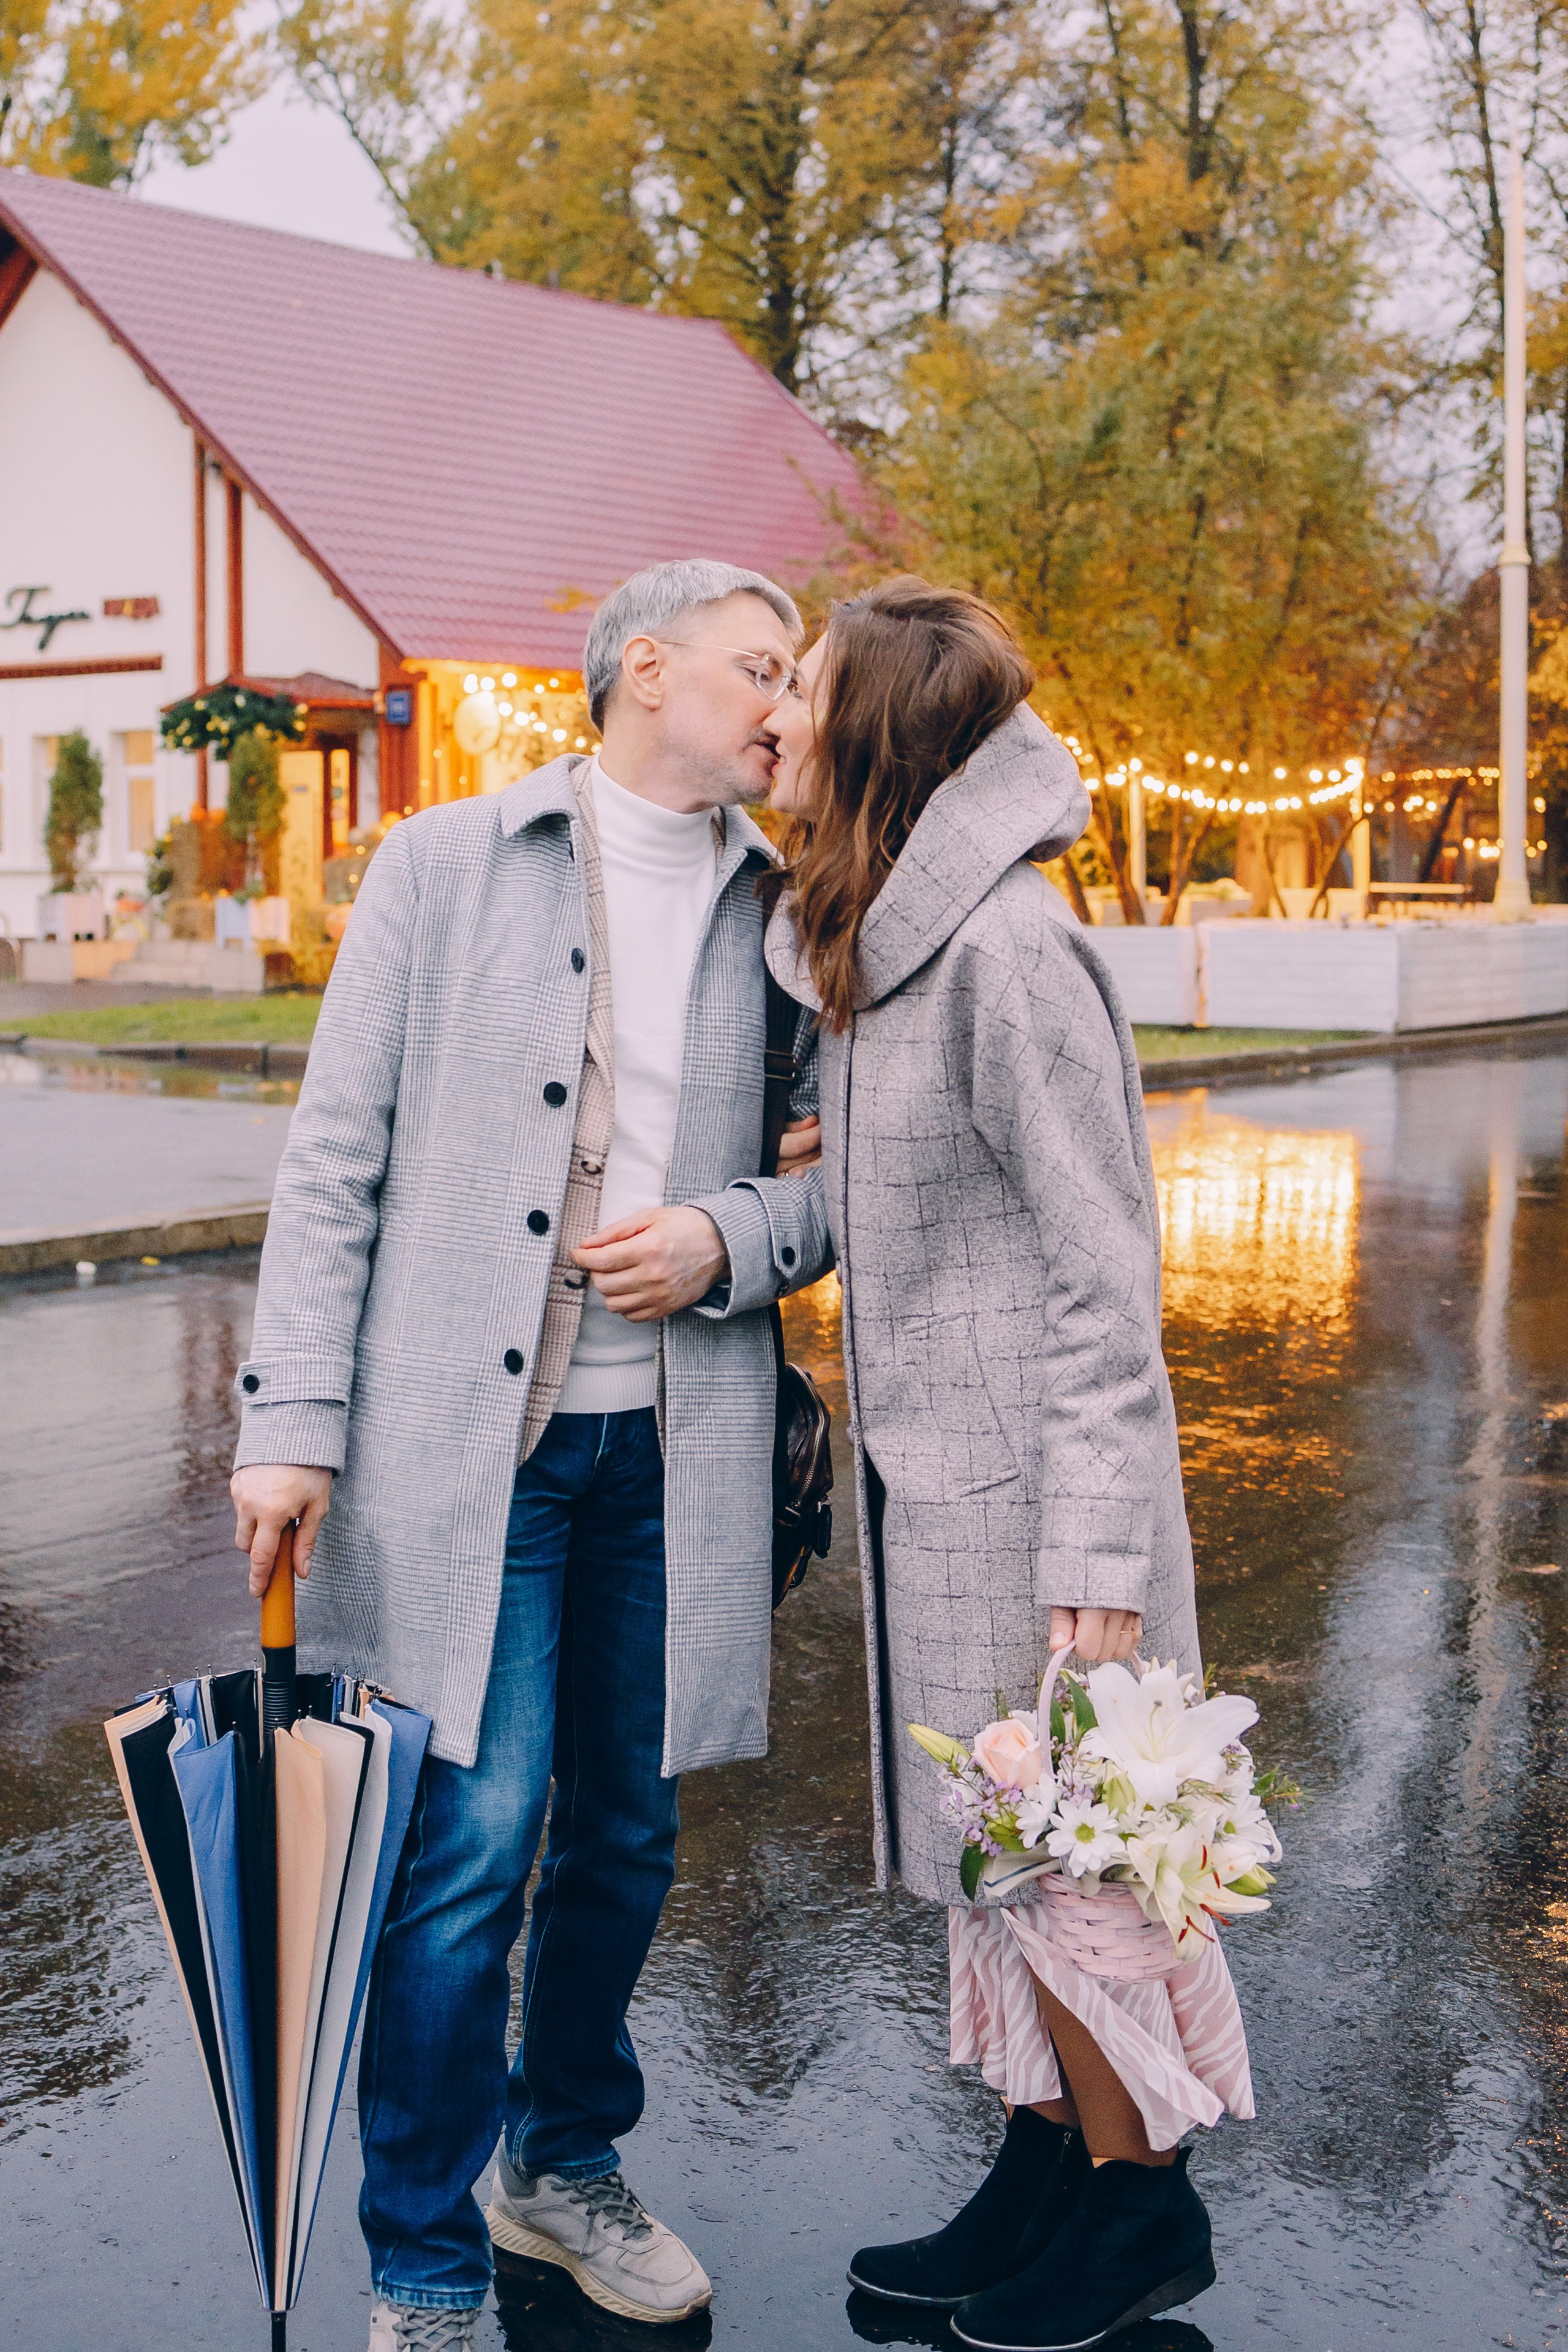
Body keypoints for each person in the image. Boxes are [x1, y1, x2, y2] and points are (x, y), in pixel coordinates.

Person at [228, 559, 830, 2350]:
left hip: (681, 1447)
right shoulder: (442, 865)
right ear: (647, 669)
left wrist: (729, 1237)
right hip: (465, 1456)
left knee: (628, 1839)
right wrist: (290, 1422)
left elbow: (839, 1175)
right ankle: (418, 2252)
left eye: (794, 675)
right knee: (471, 1847)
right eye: (760, 666)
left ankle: (560, 2175)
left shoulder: (793, 909)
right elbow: (337, 1152)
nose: (787, 702)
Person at [763, 578, 1253, 2352]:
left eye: (804, 685)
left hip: (1045, 1509)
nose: (779, 713)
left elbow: (1102, 1270)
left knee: (1079, 1881)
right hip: (941, 1498)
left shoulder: (1011, 953)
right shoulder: (893, 949)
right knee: (1007, 1878)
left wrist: (1104, 1561)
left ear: (876, 725)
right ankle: (1043, 2171)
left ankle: (1142, 2211)